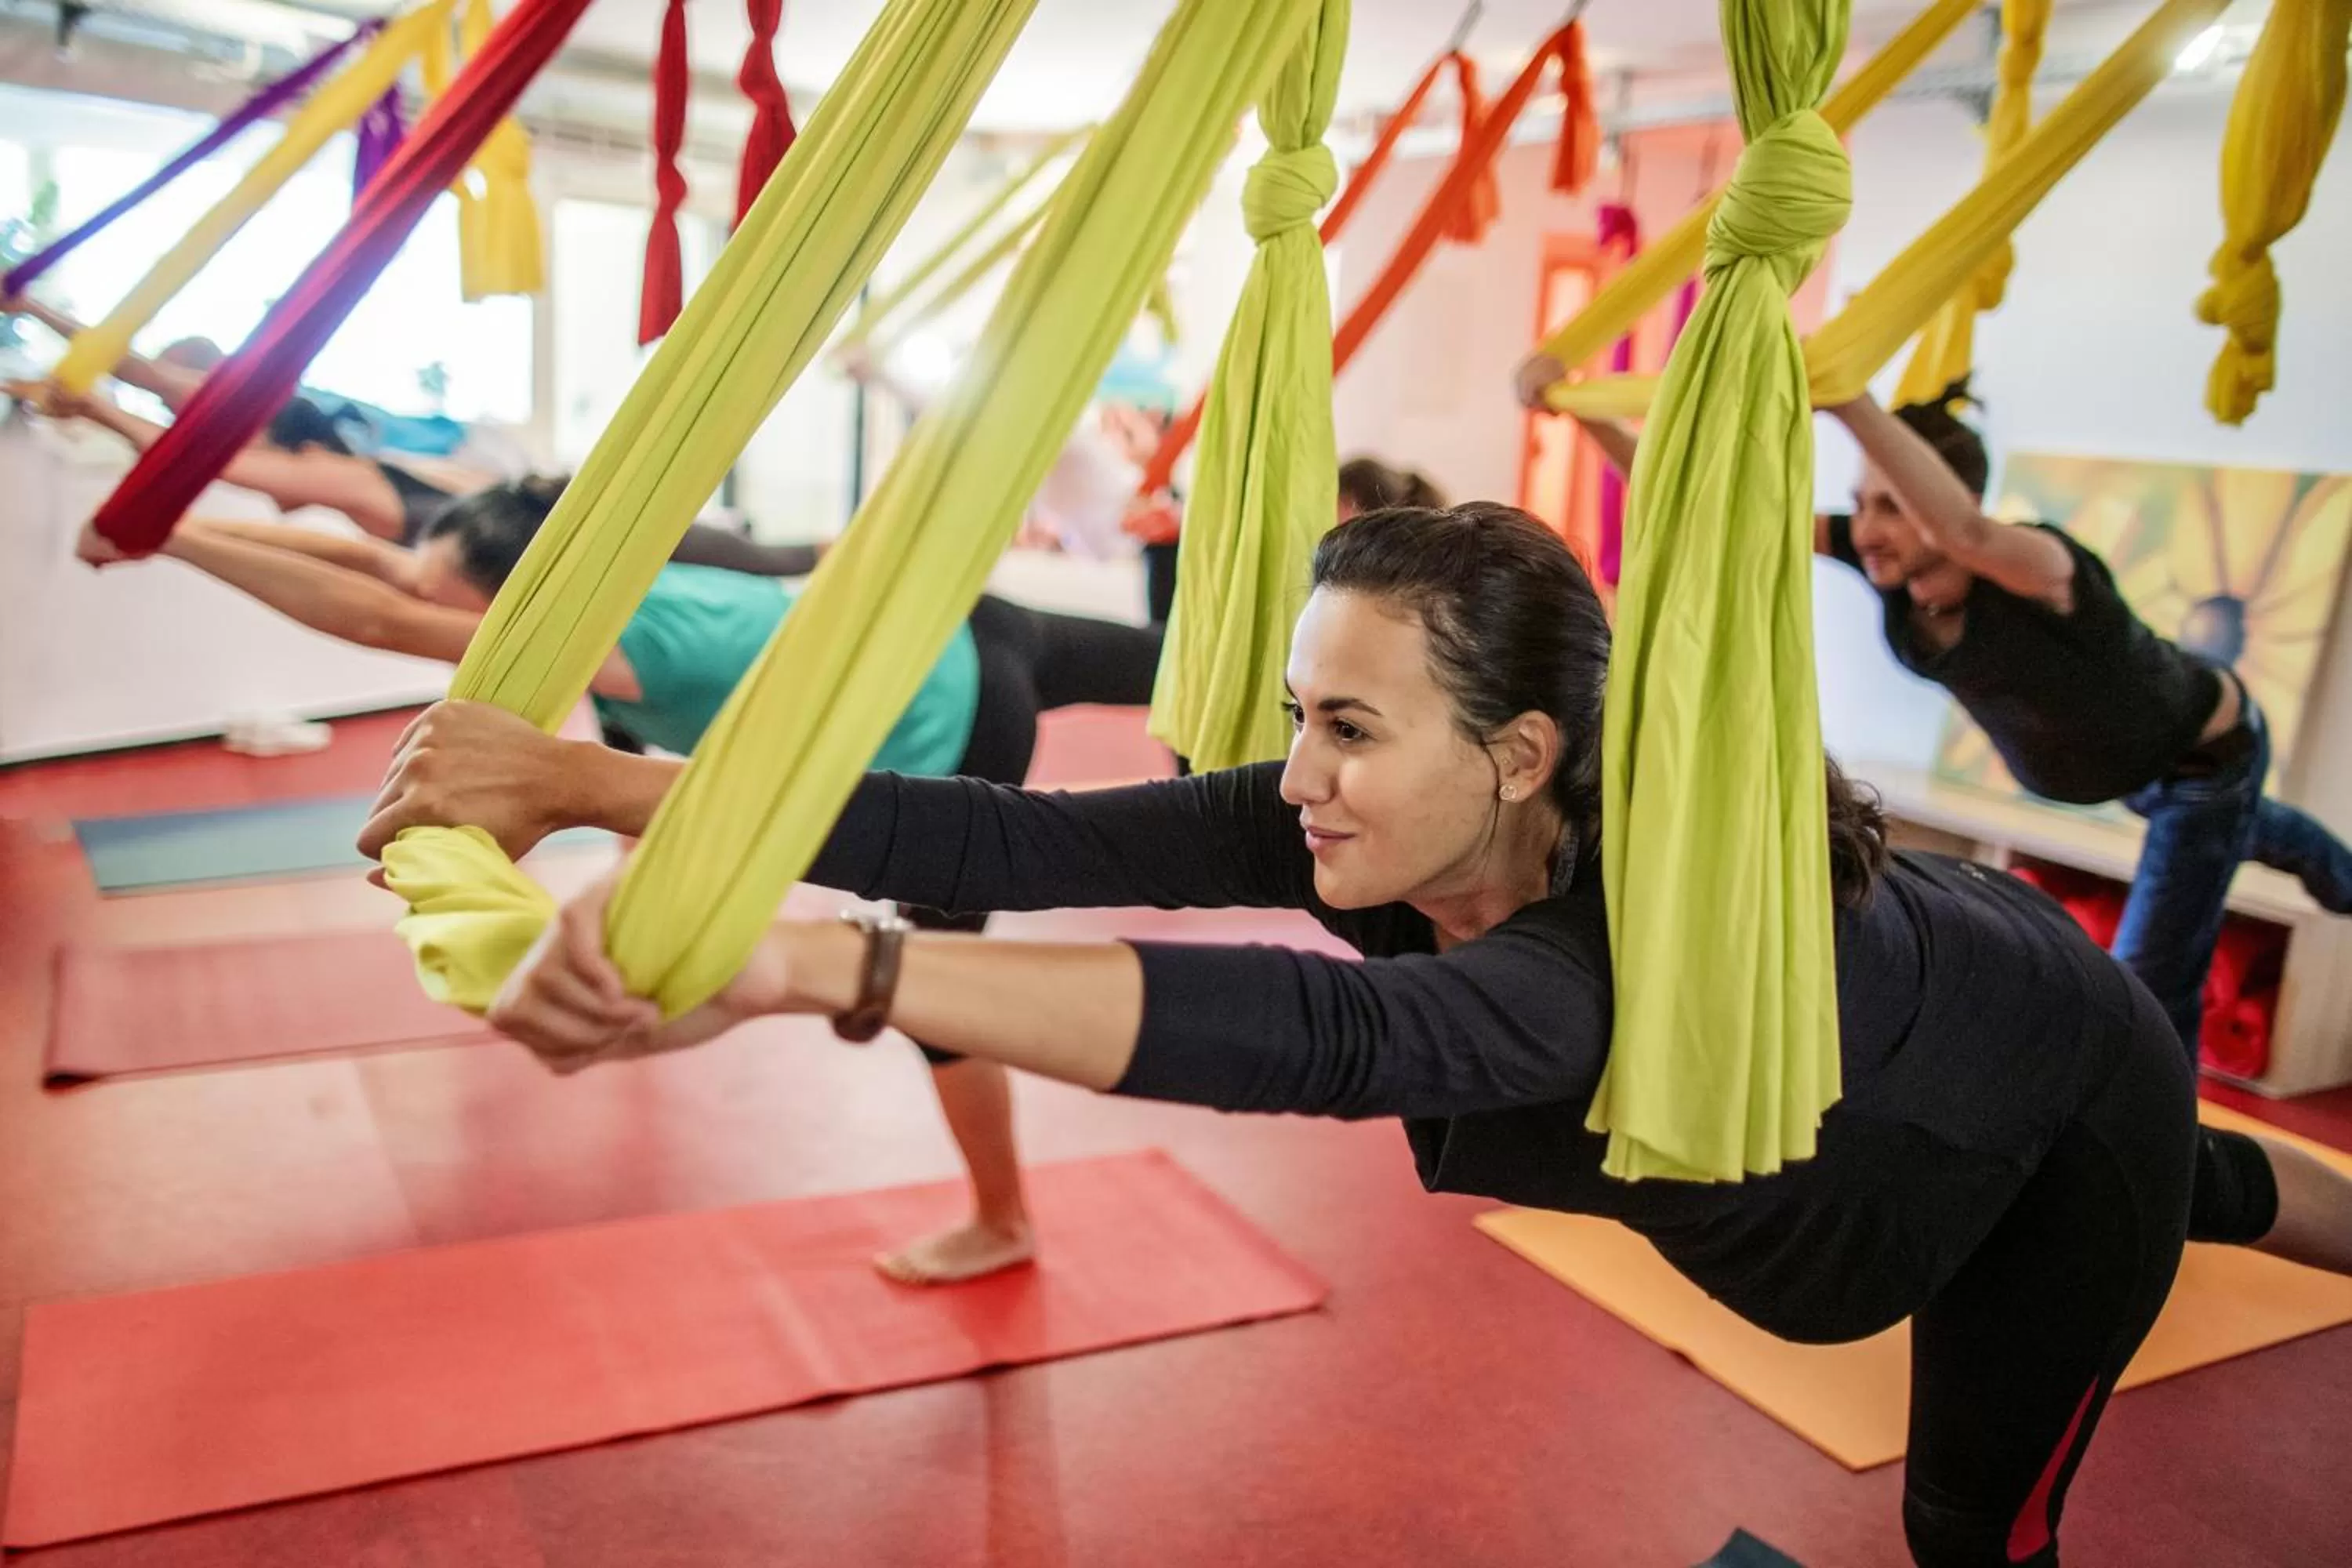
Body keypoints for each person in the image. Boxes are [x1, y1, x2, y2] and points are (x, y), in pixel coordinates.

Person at [364, 501, 2352, 1566]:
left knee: (1970, 1518)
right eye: (1298, 715)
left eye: (1347, 726)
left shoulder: (1613, 959)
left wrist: (824, 970)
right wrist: (590, 781)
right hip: (1932, 1062)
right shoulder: (1381, 811)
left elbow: (1313, 1037)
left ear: (1520, 754)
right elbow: (1012, 837)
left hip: (2045, 1084)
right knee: (2197, 1189)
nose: (1297, 771)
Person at [107, 475, 1171, 1286]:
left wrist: (169, 537)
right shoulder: (584, 588)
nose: (425, 599)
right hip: (960, 617)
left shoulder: (633, 642)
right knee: (1179, 657)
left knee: (936, 988)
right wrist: (166, 510)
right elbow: (379, 571)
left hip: (960, 705)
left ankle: (1002, 1221)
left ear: (511, 604)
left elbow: (381, 617)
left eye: (446, 598)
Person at [1522, 357, 2352, 1062]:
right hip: (2128, 769)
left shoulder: (2040, 566)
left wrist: (1851, 400)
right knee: (2265, 834)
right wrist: (1579, 407)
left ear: (1948, 499)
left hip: (2201, 765)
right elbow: (1707, 506)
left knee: (2147, 986)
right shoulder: (1887, 565)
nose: (1868, 528)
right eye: (1863, 503)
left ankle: (2176, 1154)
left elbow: (1967, 533)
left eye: (1893, 505)